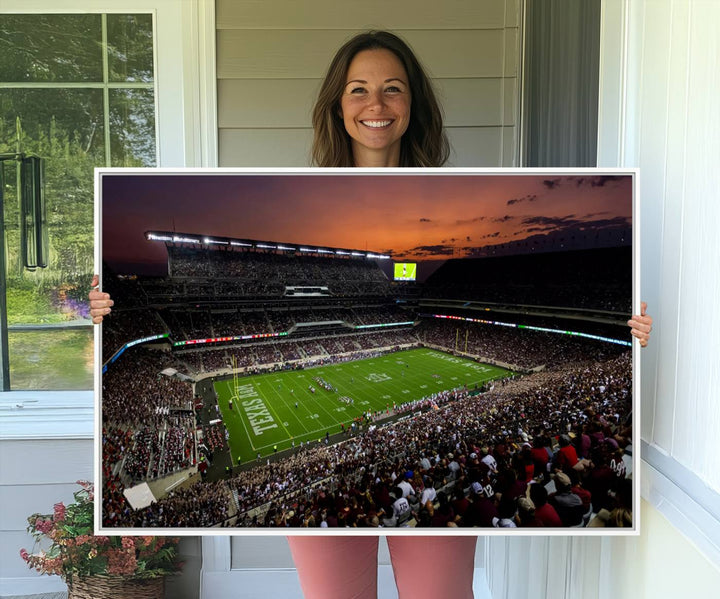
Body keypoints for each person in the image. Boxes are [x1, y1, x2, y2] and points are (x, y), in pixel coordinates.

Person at [90, 29, 653, 599]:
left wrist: (634, 330)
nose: (375, 105)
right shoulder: (299, 190)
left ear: (414, 104)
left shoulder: (455, 189)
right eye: (358, 89)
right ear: (337, 104)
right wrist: (99, 310)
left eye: (393, 89)